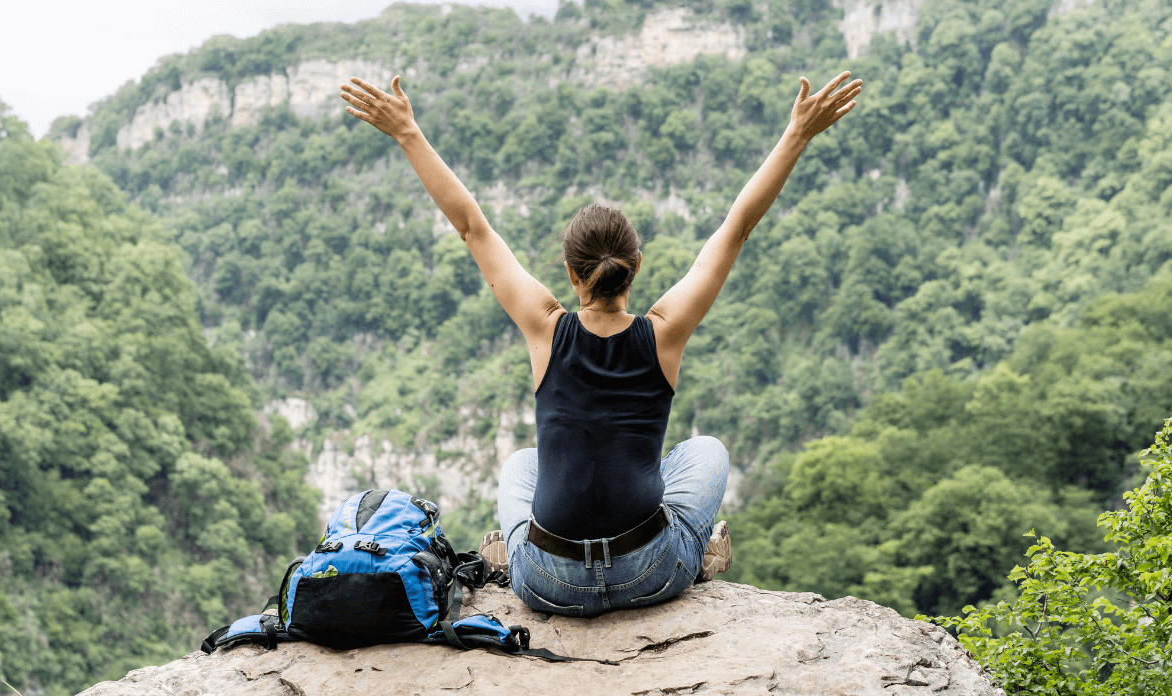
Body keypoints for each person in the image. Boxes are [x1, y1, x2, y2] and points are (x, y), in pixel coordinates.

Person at [340, 70, 862, 617]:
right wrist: (797, 134)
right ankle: (695, 556)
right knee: (705, 451)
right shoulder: (664, 332)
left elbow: (472, 226)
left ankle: (508, 561)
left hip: (547, 583)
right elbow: (735, 228)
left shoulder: (545, 327)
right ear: (636, 267)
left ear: (570, 273)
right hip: (651, 573)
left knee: (521, 463)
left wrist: (408, 133)